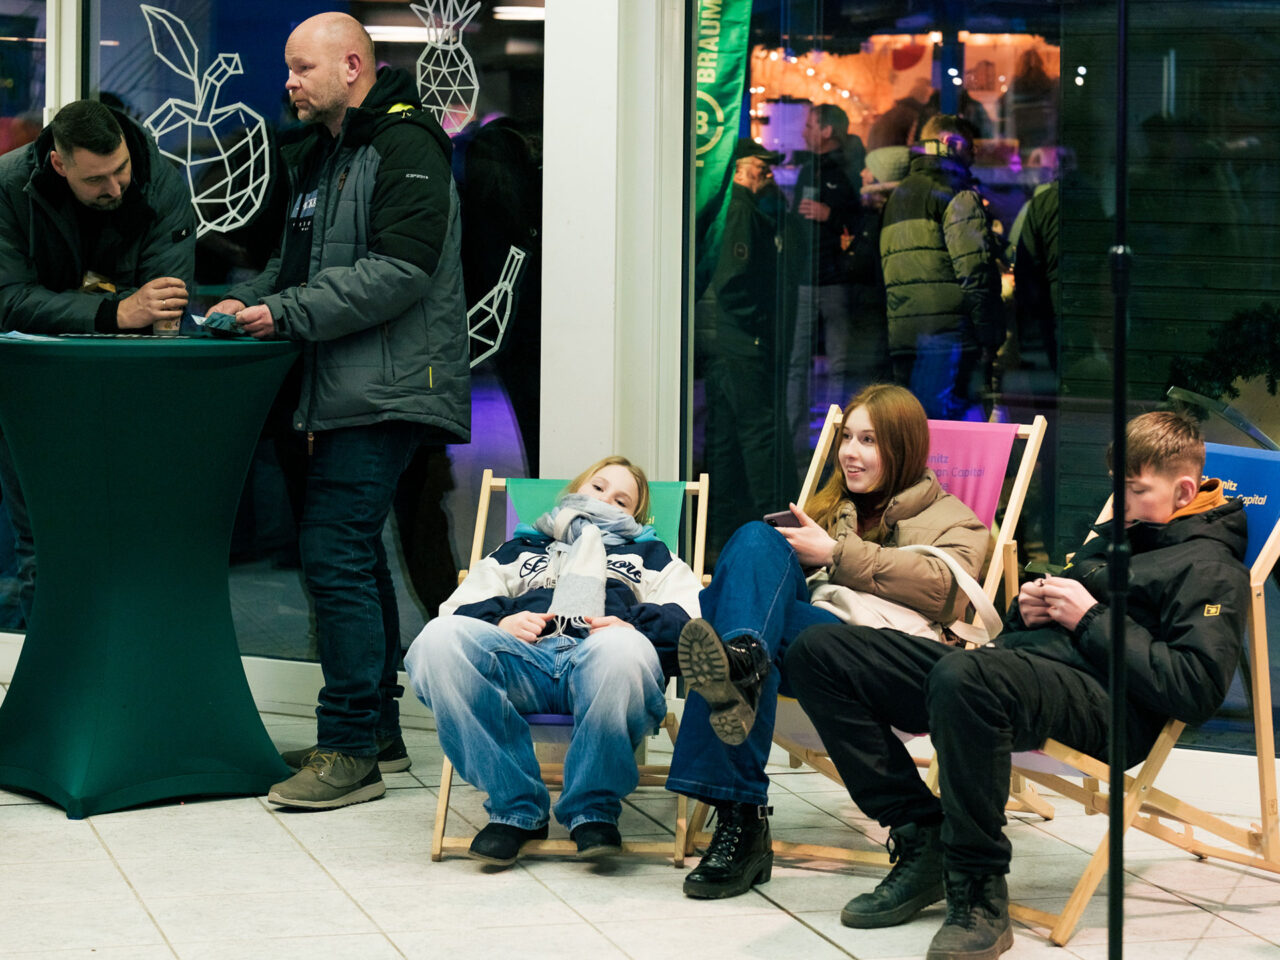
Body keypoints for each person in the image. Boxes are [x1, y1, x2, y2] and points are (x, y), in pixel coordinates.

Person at [785, 410, 1249, 960]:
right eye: (1116, 490)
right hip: (1014, 676)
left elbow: (1194, 688)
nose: (1120, 503)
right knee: (820, 651)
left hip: (1107, 708)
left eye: (1134, 490)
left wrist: (1091, 618)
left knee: (966, 672)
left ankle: (979, 890)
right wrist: (1028, 610)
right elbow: (1035, 632)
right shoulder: (1118, 538)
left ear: (1185, 490)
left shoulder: (1212, 569)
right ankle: (920, 835)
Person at [208, 12, 469, 810]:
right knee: (354, 554)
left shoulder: (404, 145)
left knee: (334, 552)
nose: (288, 82)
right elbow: (296, 269)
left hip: (391, 390)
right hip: (349, 388)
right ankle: (376, 733)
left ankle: (348, 745)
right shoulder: (328, 155)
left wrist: (283, 313)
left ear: (353, 65)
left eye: (302, 68)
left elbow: (398, 270)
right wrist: (239, 301)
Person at [668, 384, 989, 899]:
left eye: (868, 440)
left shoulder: (955, 519)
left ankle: (743, 819)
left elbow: (943, 589)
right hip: (806, 653)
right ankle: (745, 654)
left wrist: (835, 553)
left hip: (876, 660)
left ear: (903, 448)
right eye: (846, 437)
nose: (849, 452)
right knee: (755, 539)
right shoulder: (829, 505)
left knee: (733, 629)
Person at [404, 457, 701, 865]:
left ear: (638, 515)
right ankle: (516, 809)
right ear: (578, 488)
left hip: (602, 662)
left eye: (622, 500)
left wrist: (630, 623)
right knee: (438, 641)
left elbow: (690, 622)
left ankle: (592, 810)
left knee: (621, 648)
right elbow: (456, 609)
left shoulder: (651, 554)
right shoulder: (522, 547)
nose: (606, 501)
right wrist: (502, 620)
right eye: (598, 488)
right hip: (523, 664)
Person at [0, 98, 196, 625]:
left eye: (121, 169)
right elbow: (7, 299)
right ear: (60, 165)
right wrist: (114, 309)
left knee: (134, 547)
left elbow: (166, 305)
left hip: (132, 395)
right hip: (33, 394)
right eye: (96, 180)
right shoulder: (7, 185)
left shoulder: (160, 180)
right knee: (42, 547)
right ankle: (45, 692)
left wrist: (111, 309)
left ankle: (127, 682)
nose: (115, 188)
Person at [699, 139, 793, 550]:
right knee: (758, 440)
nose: (768, 173)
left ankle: (717, 538)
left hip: (724, 347)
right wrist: (758, 328)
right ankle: (774, 536)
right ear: (739, 169)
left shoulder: (731, 210)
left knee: (723, 444)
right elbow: (734, 282)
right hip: (741, 346)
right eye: (761, 165)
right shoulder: (741, 210)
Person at [880, 114, 1004, 420]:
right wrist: (991, 336)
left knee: (914, 431)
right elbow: (976, 273)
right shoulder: (955, 191)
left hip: (903, 333)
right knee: (950, 429)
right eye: (971, 149)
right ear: (950, 142)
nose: (973, 158)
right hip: (948, 335)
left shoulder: (899, 194)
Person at [787, 104, 882, 466]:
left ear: (827, 131)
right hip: (810, 279)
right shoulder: (807, 169)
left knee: (837, 363)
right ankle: (802, 442)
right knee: (803, 363)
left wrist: (832, 215)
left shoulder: (849, 168)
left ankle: (837, 437)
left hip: (835, 280)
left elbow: (864, 216)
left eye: (810, 124)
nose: (804, 131)